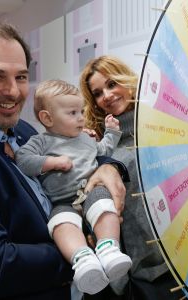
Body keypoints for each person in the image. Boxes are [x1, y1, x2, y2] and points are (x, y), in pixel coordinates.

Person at [0, 20, 128, 300]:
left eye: (20, 77)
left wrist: (108, 166)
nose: (14, 91)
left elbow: (77, 148)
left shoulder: (21, 130)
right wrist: (83, 250)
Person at [79, 55, 185, 300]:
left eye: (112, 83)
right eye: (97, 93)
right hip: (146, 278)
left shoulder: (164, 126)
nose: (106, 95)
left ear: (127, 80)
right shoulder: (100, 149)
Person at [15, 79, 132, 295]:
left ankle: (108, 248)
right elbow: (22, 159)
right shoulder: (41, 141)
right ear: (47, 118)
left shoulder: (85, 139)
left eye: (81, 111)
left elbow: (103, 149)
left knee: (105, 207)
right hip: (62, 201)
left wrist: (112, 133)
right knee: (60, 223)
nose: (81, 118)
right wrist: (51, 163)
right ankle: (82, 259)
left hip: (90, 192)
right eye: (72, 113)